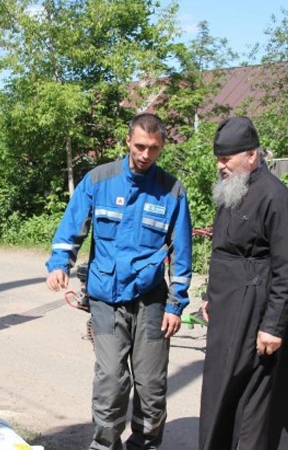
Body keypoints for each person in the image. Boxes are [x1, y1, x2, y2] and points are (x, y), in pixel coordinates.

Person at [46, 113, 193, 450]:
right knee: (111, 380)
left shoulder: (172, 191)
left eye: (153, 149)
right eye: (140, 146)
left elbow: (182, 254)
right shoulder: (99, 180)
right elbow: (71, 229)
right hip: (105, 298)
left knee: (152, 385)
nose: (145, 154)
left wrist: (176, 304)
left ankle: (144, 445)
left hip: (152, 300)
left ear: (162, 147)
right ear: (128, 141)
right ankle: (104, 446)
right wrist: (59, 265)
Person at [198, 116, 288, 449]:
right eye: (218, 158)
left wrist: (273, 324)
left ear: (251, 155)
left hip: (254, 310)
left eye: (226, 158)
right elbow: (223, 250)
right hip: (226, 307)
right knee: (221, 389)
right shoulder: (233, 190)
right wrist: (209, 296)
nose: (221, 165)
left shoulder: (276, 196)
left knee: (252, 398)